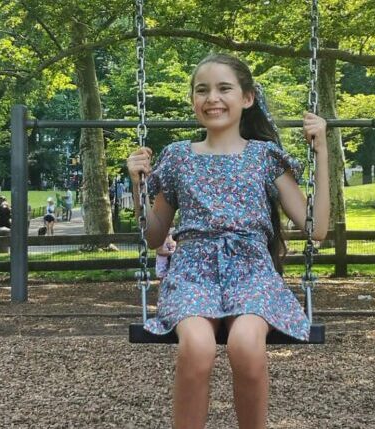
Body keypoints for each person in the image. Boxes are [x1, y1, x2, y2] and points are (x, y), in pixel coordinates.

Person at [126, 53, 330, 429]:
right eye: (201, 90)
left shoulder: (265, 158)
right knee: (197, 347)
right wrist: (138, 186)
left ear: (247, 98)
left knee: (246, 345)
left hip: (252, 271)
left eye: (224, 88)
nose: (212, 98)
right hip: (192, 272)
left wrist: (321, 151)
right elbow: (155, 235)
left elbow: (315, 228)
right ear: (193, 101)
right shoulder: (176, 158)